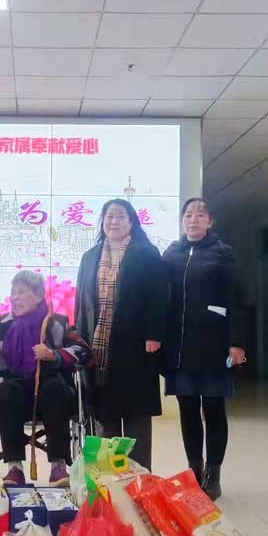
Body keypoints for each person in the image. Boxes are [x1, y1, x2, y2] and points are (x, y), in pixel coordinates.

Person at [0, 270, 91, 487]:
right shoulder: (0, 326)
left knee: (54, 388)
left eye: (21, 292)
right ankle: (14, 468)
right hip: (12, 395)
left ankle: (58, 466)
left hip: (50, 395)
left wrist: (54, 355)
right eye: (12, 293)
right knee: (7, 390)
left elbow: (83, 351)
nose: (14, 297)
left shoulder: (57, 323)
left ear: (37, 295)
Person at [162, 198, 245, 501]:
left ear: (210, 222)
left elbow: (238, 300)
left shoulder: (223, 254)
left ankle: (214, 473)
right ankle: (193, 471)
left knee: (213, 408)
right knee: (187, 409)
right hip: (180, 346)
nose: (193, 219)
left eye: (200, 215)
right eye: (188, 214)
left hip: (213, 343)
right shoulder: (171, 254)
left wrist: (237, 343)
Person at [75, 199, 166, 471]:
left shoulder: (147, 254)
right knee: (105, 415)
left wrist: (155, 333)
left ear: (132, 222)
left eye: (120, 217)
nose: (113, 222)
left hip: (136, 345)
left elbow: (160, 297)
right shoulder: (90, 256)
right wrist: (77, 339)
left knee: (136, 415)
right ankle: (109, 478)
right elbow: (82, 301)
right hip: (97, 348)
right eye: (109, 216)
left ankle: (139, 477)